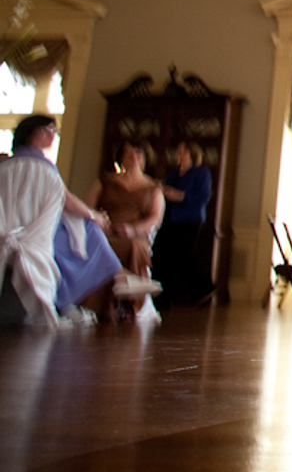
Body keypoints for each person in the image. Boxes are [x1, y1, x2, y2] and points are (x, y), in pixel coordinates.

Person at [1, 116, 123, 327]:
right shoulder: (45, 168)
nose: (54, 135)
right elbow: (67, 200)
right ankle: (66, 300)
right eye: (51, 130)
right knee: (90, 232)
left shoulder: (5, 166)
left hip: (10, 234)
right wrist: (93, 215)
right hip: (35, 238)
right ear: (38, 133)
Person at [87, 141, 165, 321]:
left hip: (135, 234)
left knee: (133, 246)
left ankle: (130, 303)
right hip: (105, 231)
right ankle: (101, 306)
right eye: (129, 154)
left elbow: (155, 219)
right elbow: (88, 208)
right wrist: (99, 221)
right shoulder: (106, 181)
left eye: (138, 154)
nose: (134, 158)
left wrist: (133, 230)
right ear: (121, 158)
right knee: (100, 245)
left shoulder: (153, 188)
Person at [157, 141, 215, 306]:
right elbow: (165, 189)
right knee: (165, 257)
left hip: (190, 219)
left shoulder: (201, 173)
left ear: (192, 154)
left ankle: (205, 288)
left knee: (184, 256)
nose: (179, 155)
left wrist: (180, 196)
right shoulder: (173, 173)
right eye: (179, 152)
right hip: (169, 219)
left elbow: (203, 198)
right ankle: (163, 298)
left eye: (183, 152)